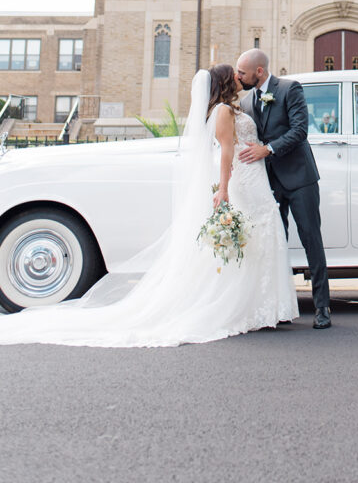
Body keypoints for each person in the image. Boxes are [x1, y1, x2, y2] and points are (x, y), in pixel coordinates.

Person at [0, 65, 298, 347]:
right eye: (234, 74)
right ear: (224, 82)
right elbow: (225, 153)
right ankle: (247, 306)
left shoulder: (233, 107)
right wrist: (223, 189)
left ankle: (262, 306)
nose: (239, 77)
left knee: (259, 238)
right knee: (250, 239)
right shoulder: (222, 111)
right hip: (244, 179)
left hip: (254, 178)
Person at [236, 49, 331, 329]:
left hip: (300, 178)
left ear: (260, 71)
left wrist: (268, 149)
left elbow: (300, 130)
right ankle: (277, 306)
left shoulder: (290, 89)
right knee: (274, 242)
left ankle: (322, 306)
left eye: (243, 72)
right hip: (268, 182)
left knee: (311, 239)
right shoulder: (245, 102)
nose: (238, 76)